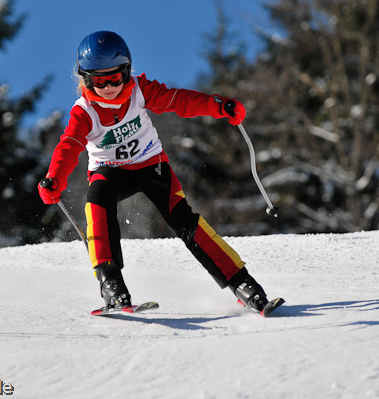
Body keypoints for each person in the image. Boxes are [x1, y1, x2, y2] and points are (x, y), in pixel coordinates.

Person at [38, 30, 271, 312]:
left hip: (152, 165)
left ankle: (241, 282)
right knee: (97, 202)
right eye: (100, 80)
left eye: (116, 76)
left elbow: (177, 100)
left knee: (185, 221)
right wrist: (55, 177)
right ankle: (110, 281)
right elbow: (70, 144)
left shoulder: (139, 90)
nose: (109, 86)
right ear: (86, 78)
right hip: (110, 171)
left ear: (127, 71)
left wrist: (217, 106)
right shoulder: (84, 110)